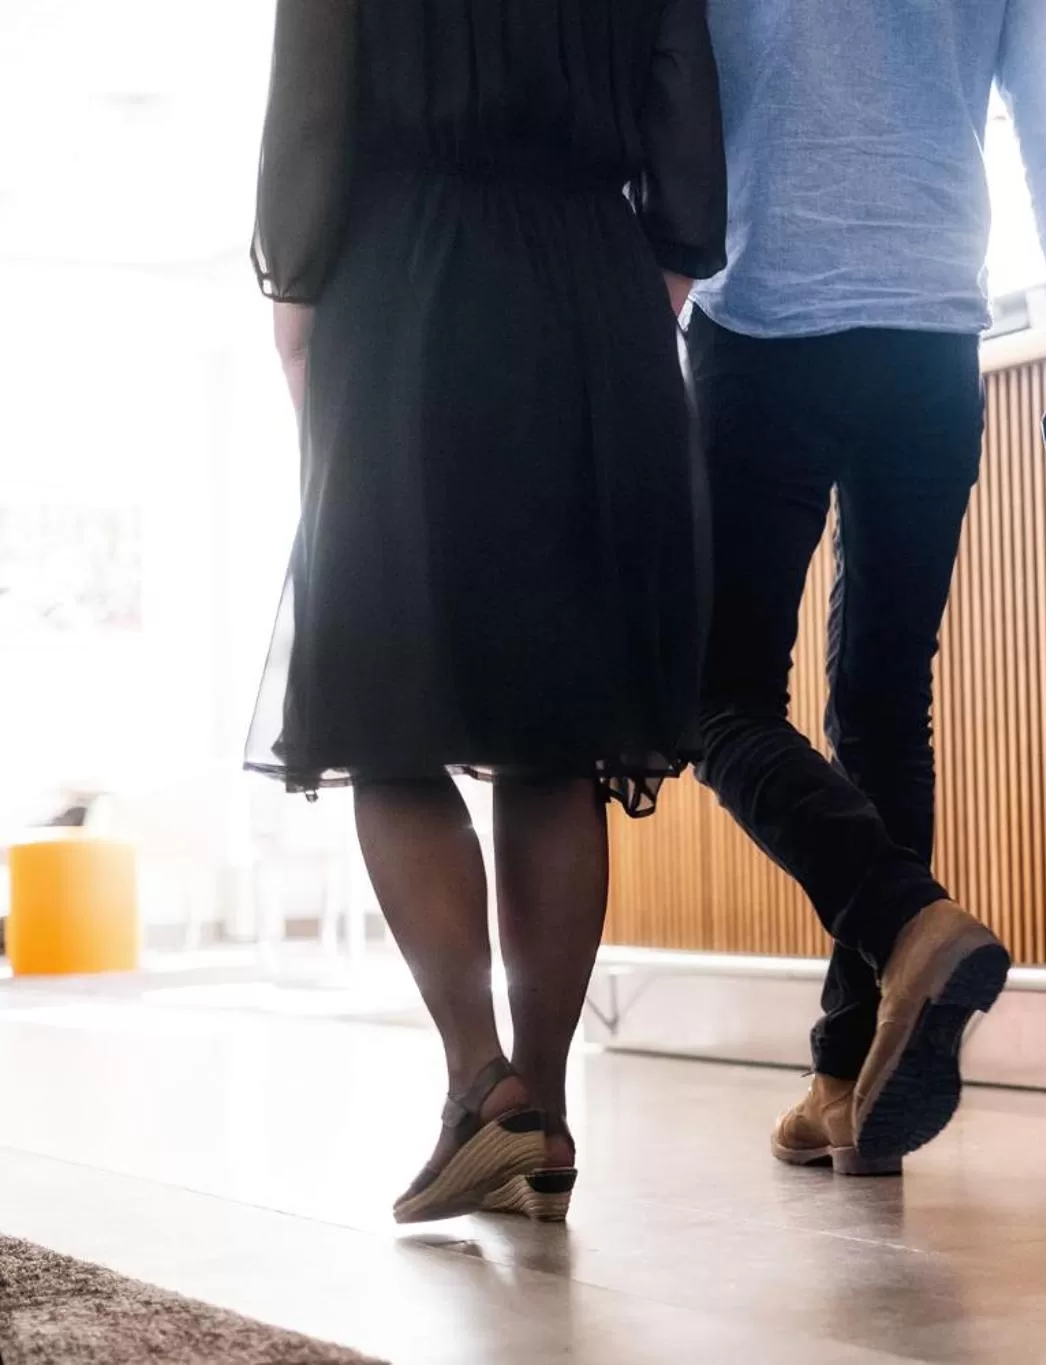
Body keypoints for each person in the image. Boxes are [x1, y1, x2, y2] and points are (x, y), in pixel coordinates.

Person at [248, 0, 725, 1223]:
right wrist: (629, 296)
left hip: (403, 284)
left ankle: (479, 1082)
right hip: (595, 288)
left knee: (384, 707)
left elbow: (310, 110)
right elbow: (685, 125)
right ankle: (544, 1117)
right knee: (554, 729)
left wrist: (294, 303)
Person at [687, 0, 1046, 1176]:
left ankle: (903, 921)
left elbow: (665, 103)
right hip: (930, 346)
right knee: (885, 703)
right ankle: (849, 1077)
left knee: (710, 695)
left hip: (763, 330)